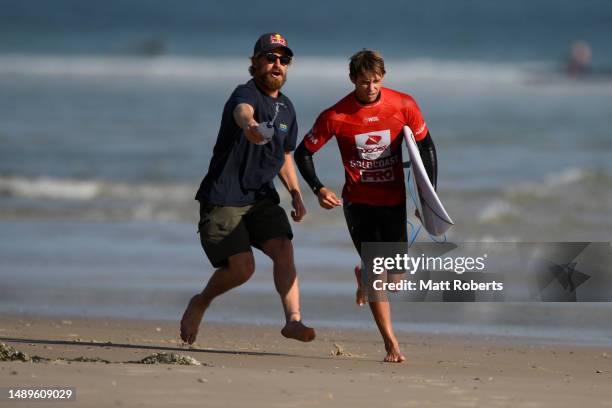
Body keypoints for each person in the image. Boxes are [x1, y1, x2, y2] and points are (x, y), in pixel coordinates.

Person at [294, 50, 438, 362]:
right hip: (359, 203)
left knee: (396, 278)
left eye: (374, 81)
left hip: (394, 201)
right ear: (352, 80)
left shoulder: (403, 105)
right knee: (377, 274)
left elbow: (426, 146)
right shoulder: (336, 116)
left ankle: (363, 275)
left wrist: (427, 196)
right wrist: (318, 188)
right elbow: (303, 152)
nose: (370, 88)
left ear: (382, 78)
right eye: (362, 83)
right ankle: (391, 343)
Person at [180, 33, 315, 345]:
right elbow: (243, 112)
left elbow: (283, 155)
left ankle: (293, 321)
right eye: (270, 57)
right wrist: (250, 126)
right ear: (255, 63)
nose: (276, 64)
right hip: (225, 195)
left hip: (260, 196)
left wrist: (296, 193)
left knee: (284, 247)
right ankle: (200, 302)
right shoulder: (246, 93)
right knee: (243, 269)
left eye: (283, 59)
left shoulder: (288, 108)